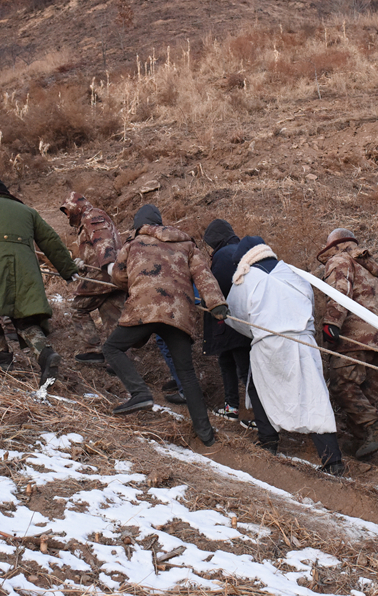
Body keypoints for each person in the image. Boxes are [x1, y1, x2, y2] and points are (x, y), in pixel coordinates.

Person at [102, 204, 226, 448]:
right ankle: (206, 434)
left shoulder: (133, 244)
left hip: (143, 309)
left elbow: (118, 277)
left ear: (140, 225)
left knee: (112, 349)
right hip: (178, 313)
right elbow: (203, 275)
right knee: (186, 373)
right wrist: (217, 304)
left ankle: (140, 393)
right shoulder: (186, 244)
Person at [224, 236, 345, 475]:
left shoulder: (244, 279)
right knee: (313, 397)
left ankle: (268, 442)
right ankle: (332, 461)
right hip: (304, 342)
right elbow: (309, 304)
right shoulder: (293, 273)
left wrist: (259, 330)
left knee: (259, 389)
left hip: (270, 345)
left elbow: (235, 317)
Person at [0, 177, 78, 385]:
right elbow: (50, 240)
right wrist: (68, 269)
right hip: (26, 269)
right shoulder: (28, 211)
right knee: (25, 315)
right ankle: (45, 354)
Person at [317, 228, 378, 459]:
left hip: (353, 337)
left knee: (343, 386)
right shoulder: (369, 266)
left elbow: (339, 292)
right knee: (366, 393)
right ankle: (360, 443)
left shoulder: (339, 259)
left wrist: (331, 323)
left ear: (334, 244)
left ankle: (374, 428)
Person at [60, 191, 126, 363]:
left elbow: (103, 242)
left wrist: (108, 265)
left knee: (78, 309)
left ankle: (93, 350)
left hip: (103, 274)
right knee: (111, 316)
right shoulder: (89, 219)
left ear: (75, 207)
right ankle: (117, 360)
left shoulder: (92, 216)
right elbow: (95, 247)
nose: (66, 215)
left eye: (66, 210)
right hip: (113, 275)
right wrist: (83, 262)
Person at [201, 219, 253, 422]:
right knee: (232, 362)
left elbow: (219, 286)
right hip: (243, 318)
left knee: (241, 367)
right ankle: (235, 407)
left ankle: (256, 414)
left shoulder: (224, 254)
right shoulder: (243, 251)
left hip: (230, 319)